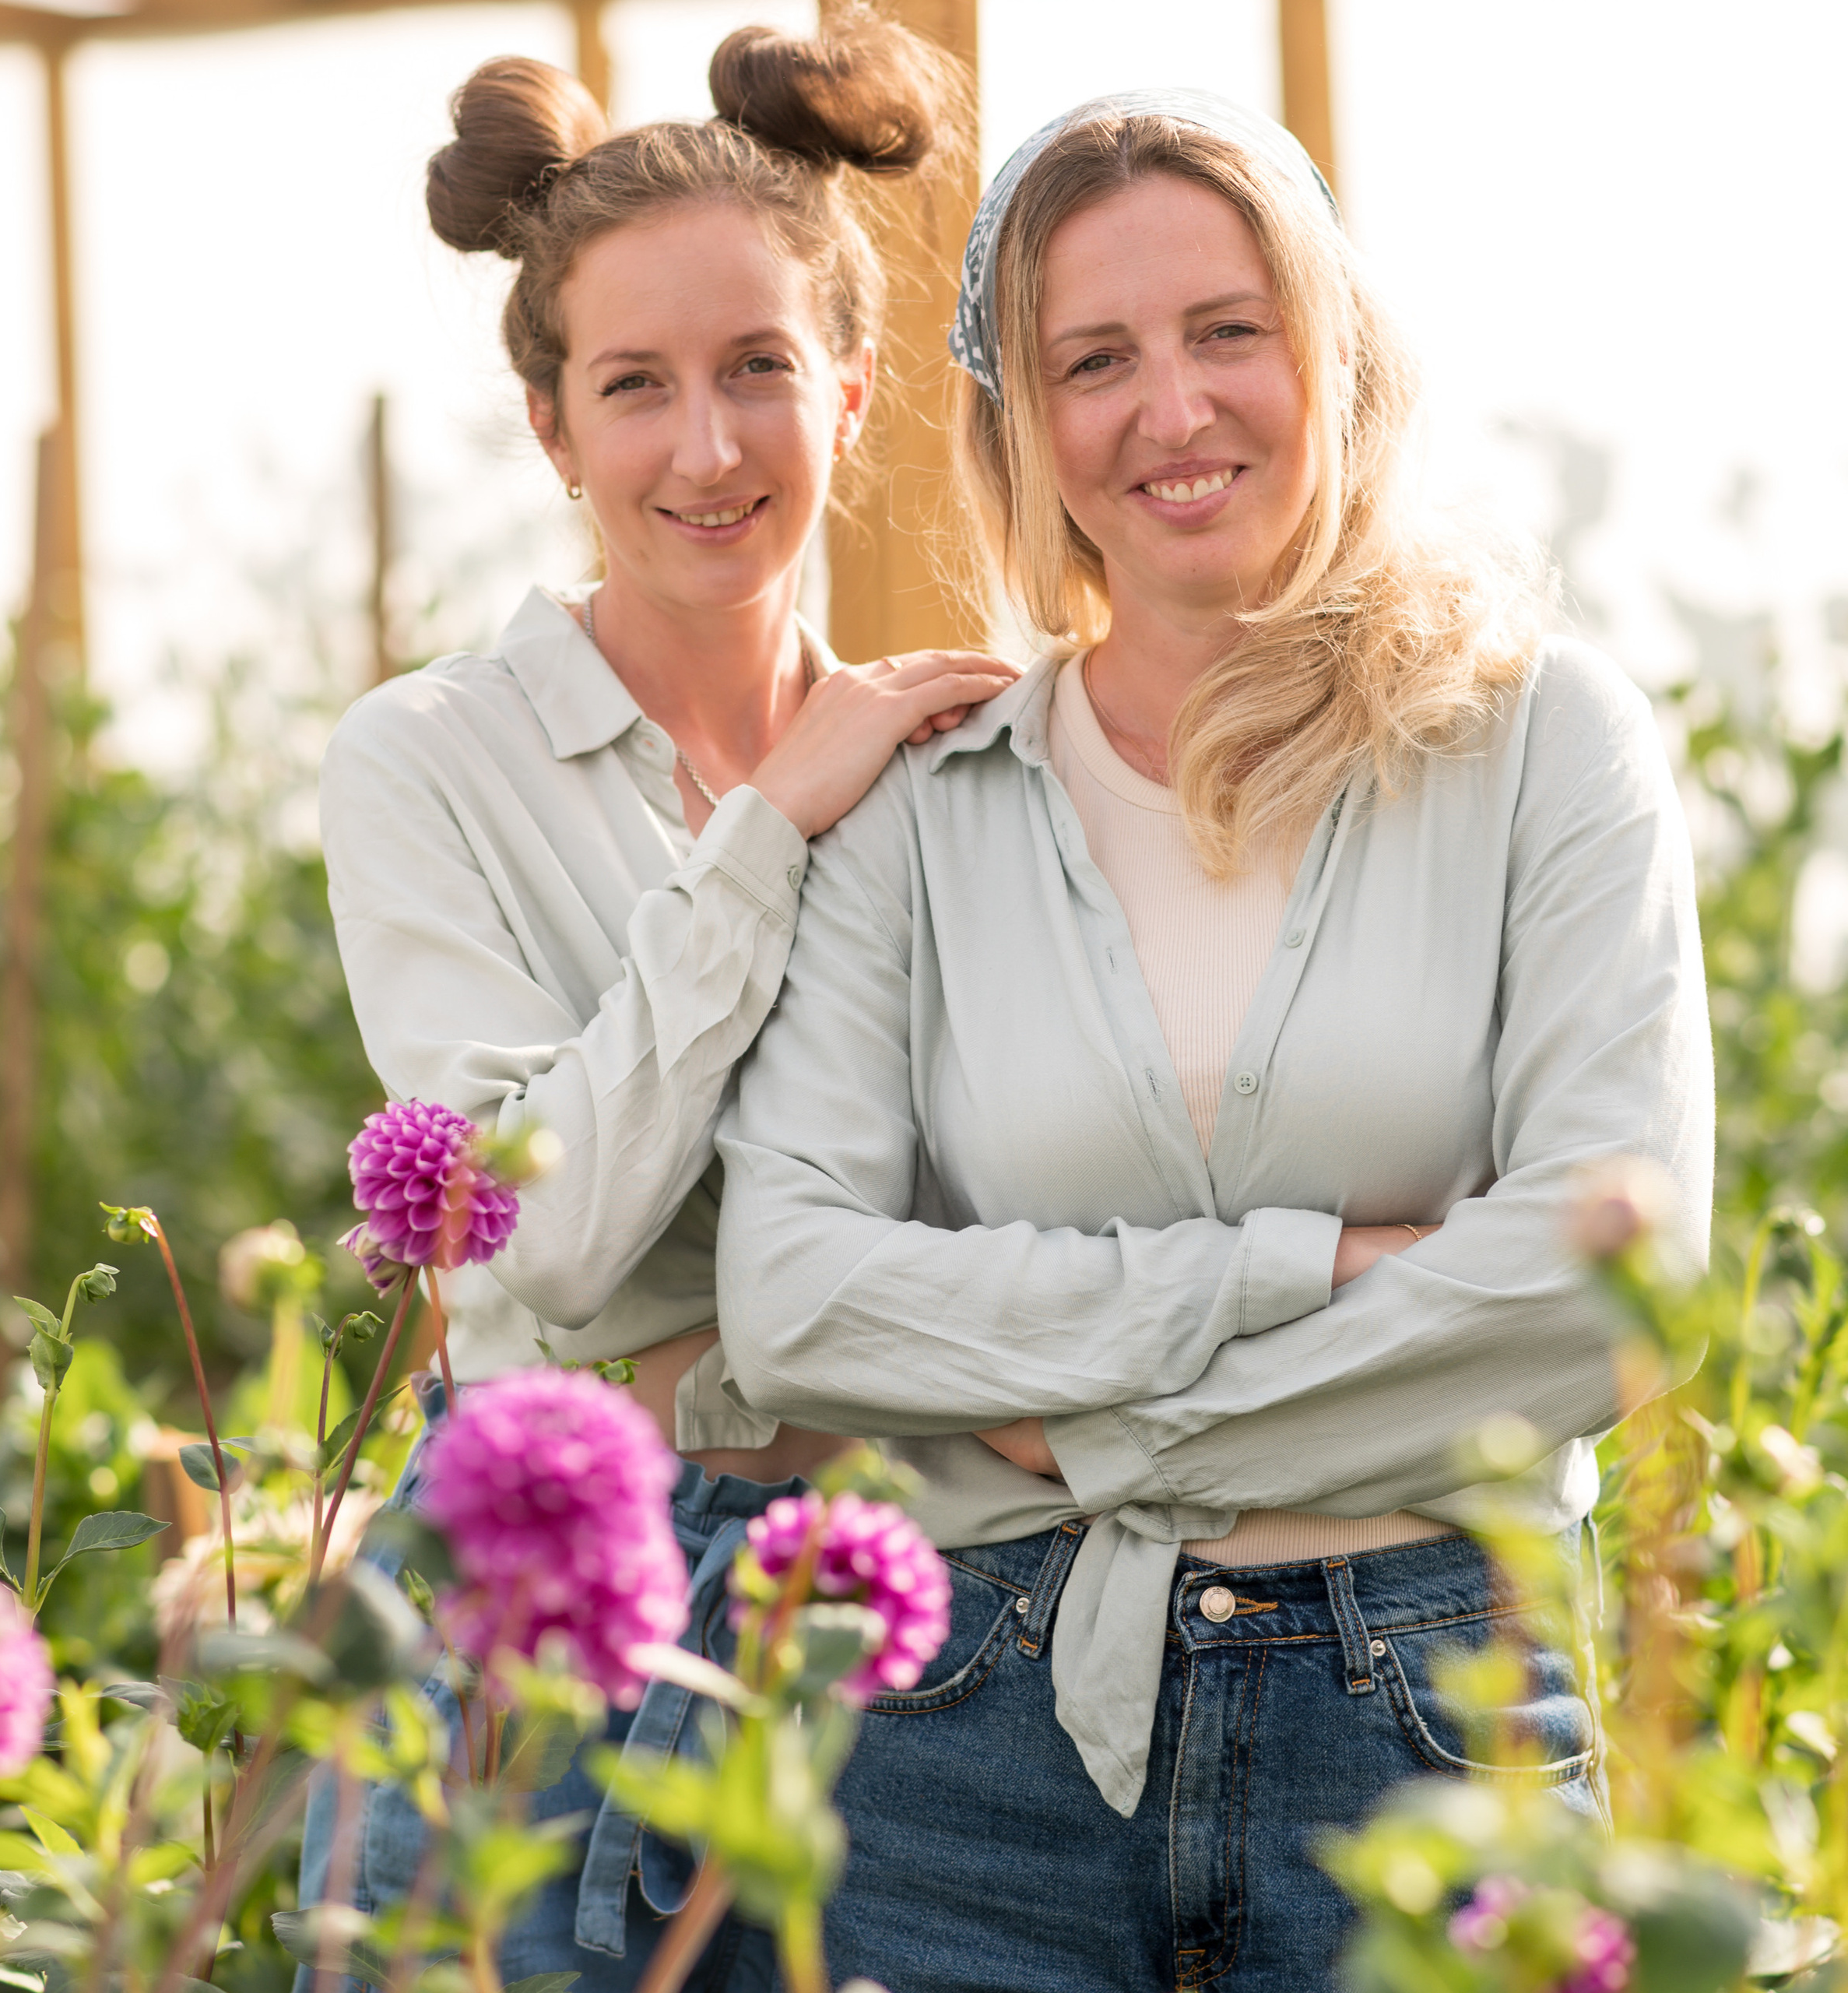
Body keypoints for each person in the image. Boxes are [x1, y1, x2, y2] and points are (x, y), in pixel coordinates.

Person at [716, 90, 1713, 1988]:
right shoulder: (924, 803)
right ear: (1023, 424)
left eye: (1223, 331)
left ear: (1329, 350)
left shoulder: (1540, 743)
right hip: (973, 1732)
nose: (1168, 411)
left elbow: (1608, 1271)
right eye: (1093, 359)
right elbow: (794, 1296)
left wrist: (1078, 1415)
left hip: (1427, 1718)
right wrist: (1311, 1269)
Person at [297, 19, 1007, 1988]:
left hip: (906, 1598)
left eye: (759, 370)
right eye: (635, 386)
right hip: (552, 1591)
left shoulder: (958, 768)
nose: (705, 448)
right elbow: (554, 1221)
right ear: (550, 426)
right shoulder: (426, 760)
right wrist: (766, 828)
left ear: (851, 395)